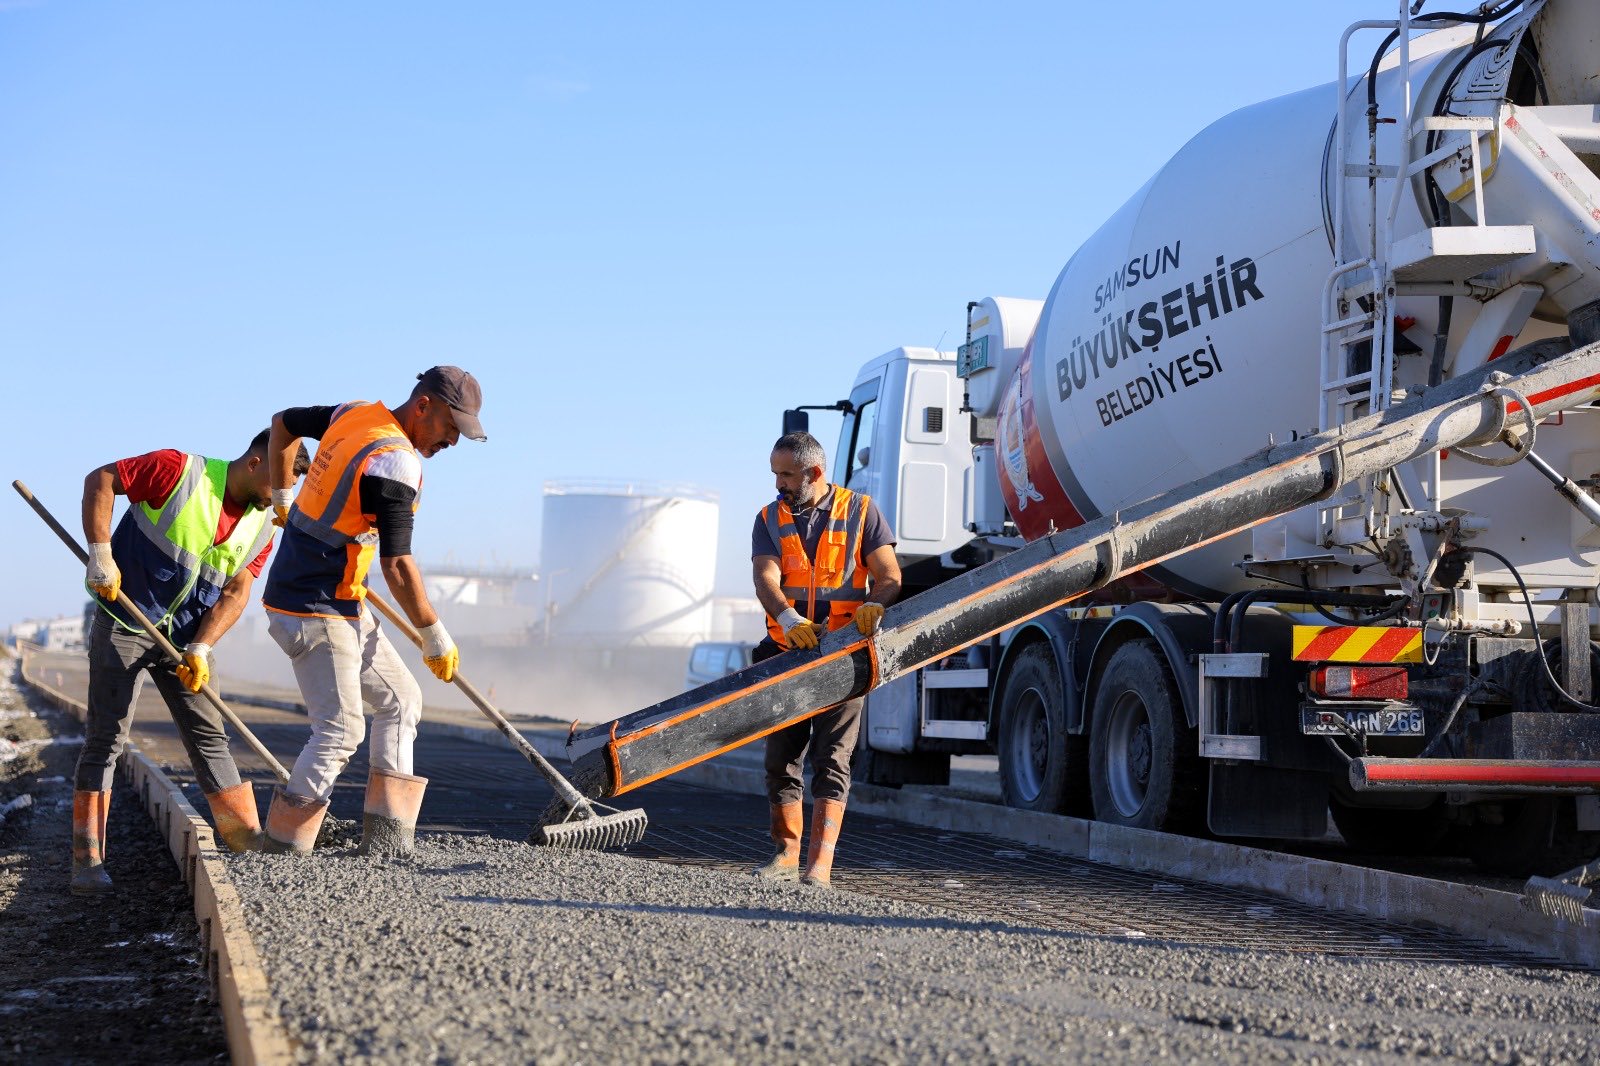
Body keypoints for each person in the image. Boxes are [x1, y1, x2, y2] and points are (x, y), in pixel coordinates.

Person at [72, 430, 311, 895]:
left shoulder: (264, 523)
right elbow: (101, 478)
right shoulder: (178, 471)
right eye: (281, 485)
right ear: (257, 461)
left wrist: (201, 648)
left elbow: (238, 589)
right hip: (125, 620)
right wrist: (101, 553)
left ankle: (245, 844)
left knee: (210, 736)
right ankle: (87, 860)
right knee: (107, 739)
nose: (284, 498)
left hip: (185, 642)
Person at [259, 367, 487, 856]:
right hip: (313, 606)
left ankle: (387, 842)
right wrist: (434, 633)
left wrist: (283, 494)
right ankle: (282, 851)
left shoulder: (354, 414)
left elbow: (282, 423)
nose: (453, 441)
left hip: (336, 597)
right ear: (423, 405)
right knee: (341, 730)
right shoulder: (395, 462)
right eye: (451, 427)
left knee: (402, 702)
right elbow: (399, 565)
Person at [750, 431, 901, 887]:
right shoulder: (769, 518)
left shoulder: (862, 511)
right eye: (775, 474)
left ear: (815, 473)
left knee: (832, 760)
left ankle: (820, 867)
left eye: (787, 475)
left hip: (843, 658)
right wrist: (790, 618)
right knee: (781, 759)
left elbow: (890, 574)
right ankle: (785, 856)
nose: (779, 484)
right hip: (785, 654)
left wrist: (878, 601)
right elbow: (764, 578)